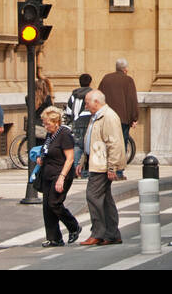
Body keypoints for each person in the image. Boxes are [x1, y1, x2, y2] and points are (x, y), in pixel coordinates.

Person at [77, 89, 124, 246]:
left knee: (93, 196)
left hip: (102, 164)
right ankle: (111, 234)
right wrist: (83, 160)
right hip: (96, 161)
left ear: (96, 102)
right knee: (105, 199)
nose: (85, 106)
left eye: (87, 102)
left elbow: (114, 143)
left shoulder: (108, 116)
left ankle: (98, 233)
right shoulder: (96, 116)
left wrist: (112, 167)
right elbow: (90, 140)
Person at [38, 108, 80, 247]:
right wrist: (41, 157)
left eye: (47, 123)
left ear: (56, 122)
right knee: (47, 207)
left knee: (54, 203)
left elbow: (70, 158)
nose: (45, 126)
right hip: (48, 173)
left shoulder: (64, 134)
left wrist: (62, 177)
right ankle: (54, 238)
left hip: (61, 173)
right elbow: (46, 150)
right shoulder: (50, 134)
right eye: (44, 123)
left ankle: (73, 226)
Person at [98, 59, 140, 165]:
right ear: (125, 69)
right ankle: (119, 170)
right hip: (123, 119)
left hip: (106, 117)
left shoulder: (106, 78)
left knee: (107, 142)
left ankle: (106, 167)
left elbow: (98, 96)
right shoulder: (128, 80)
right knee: (121, 143)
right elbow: (132, 100)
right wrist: (134, 118)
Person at [64, 73, 94, 169]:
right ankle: (86, 170)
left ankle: (73, 169)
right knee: (90, 146)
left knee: (77, 146)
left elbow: (68, 111)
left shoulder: (74, 95)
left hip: (76, 123)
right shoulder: (92, 94)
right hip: (89, 122)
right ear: (90, 82)